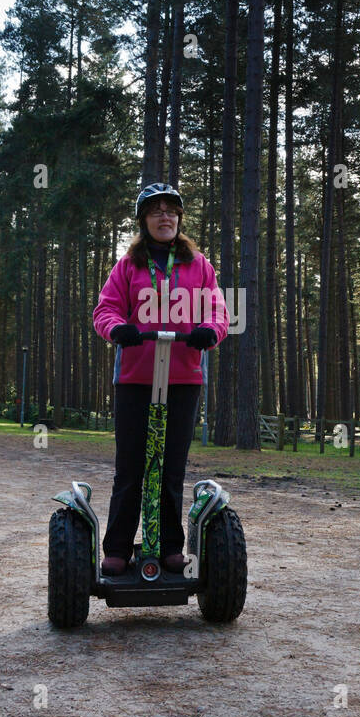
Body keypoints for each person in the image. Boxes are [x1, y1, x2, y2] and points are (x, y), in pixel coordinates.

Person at [92, 183, 229, 575]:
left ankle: (171, 544)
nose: (164, 216)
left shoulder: (199, 265)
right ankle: (117, 547)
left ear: (179, 219)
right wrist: (118, 329)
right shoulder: (127, 266)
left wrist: (210, 331)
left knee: (172, 467)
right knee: (131, 466)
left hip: (183, 378)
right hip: (136, 377)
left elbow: (217, 310)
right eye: (156, 211)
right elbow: (106, 310)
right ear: (144, 220)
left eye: (171, 210)